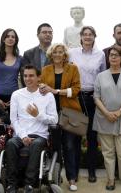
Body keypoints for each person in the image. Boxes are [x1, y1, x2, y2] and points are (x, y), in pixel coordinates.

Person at [5, 65, 59, 193]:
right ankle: (11, 184)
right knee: (10, 143)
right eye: (25, 76)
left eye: (31, 75)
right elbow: (14, 120)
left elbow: (54, 120)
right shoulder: (17, 95)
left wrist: (38, 115)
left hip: (40, 135)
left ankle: (29, 184)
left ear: (38, 77)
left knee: (36, 145)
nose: (27, 79)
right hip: (20, 135)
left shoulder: (47, 96)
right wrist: (23, 136)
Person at [39, 43, 82, 191]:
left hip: (71, 112)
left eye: (60, 52)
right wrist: (43, 89)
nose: (58, 55)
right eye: (55, 52)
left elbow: (76, 90)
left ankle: (72, 178)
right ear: (51, 55)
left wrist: (55, 91)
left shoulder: (73, 68)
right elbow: (41, 89)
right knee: (55, 146)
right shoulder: (45, 70)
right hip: (51, 113)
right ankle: (56, 176)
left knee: (70, 146)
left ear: (65, 55)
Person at [93, 45, 121, 191]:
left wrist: (120, 111)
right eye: (111, 55)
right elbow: (96, 97)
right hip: (104, 117)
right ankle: (110, 179)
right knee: (108, 151)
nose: (113, 57)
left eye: (117, 55)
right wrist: (106, 112)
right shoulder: (100, 76)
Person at [69, 26, 106, 183]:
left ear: (94, 37)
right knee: (76, 138)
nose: (88, 37)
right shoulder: (72, 53)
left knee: (92, 138)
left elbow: (102, 76)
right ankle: (75, 172)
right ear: (81, 37)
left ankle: (92, 172)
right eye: (85, 34)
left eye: (90, 34)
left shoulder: (101, 54)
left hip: (92, 99)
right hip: (76, 98)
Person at [0, 28, 22, 112]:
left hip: (15, 96)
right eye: (7, 36)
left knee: (12, 123)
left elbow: (23, 79)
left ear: (16, 40)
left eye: (13, 37)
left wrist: (18, 97)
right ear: (3, 39)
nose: (10, 38)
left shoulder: (20, 58)